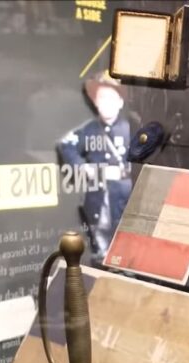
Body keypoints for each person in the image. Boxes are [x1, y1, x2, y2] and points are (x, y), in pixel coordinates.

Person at [56, 71, 132, 260]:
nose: (106, 102)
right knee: (101, 246)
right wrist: (82, 167)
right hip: (97, 197)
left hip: (124, 197)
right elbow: (66, 145)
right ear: (95, 102)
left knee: (125, 244)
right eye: (101, 97)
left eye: (111, 97)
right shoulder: (89, 130)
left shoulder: (131, 128)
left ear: (120, 102)